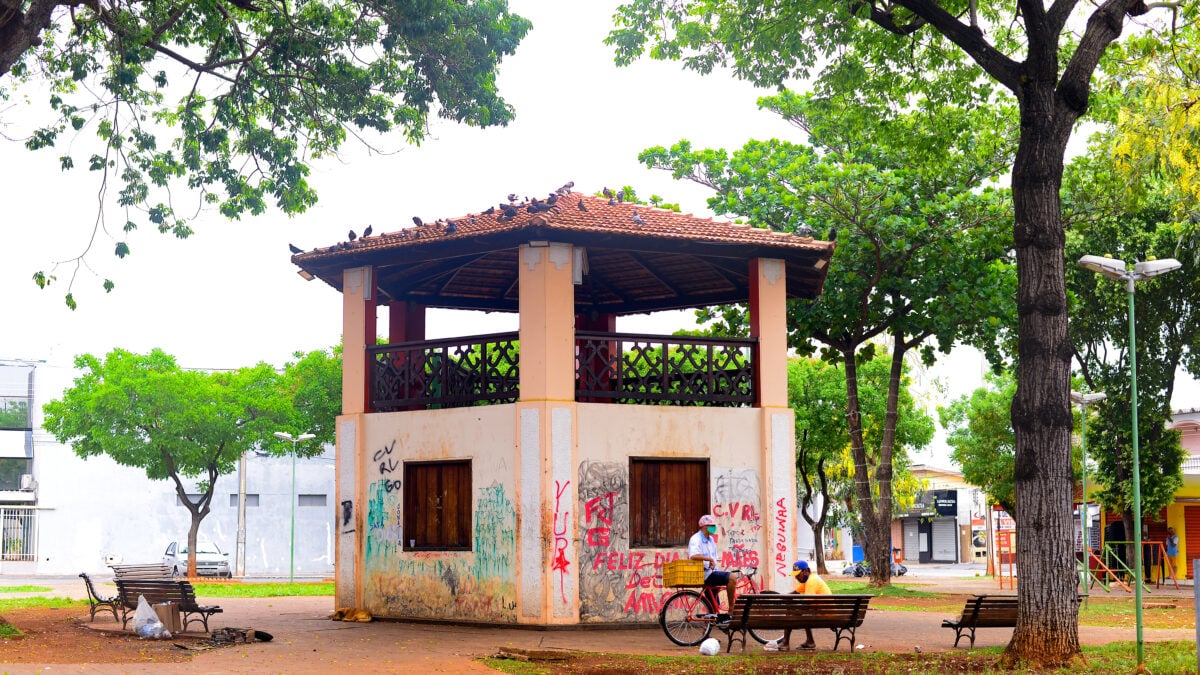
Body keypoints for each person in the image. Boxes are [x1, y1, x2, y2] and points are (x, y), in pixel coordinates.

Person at [688, 514, 737, 623]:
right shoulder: (696, 539)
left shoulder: (710, 540)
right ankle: (732, 610)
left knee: (714, 610)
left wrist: (714, 564)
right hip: (705, 574)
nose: (713, 528)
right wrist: (709, 559)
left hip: (712, 572)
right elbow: (693, 556)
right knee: (732, 578)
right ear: (704, 527)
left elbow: (714, 559)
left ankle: (719, 626)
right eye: (711, 526)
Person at [780, 559, 831, 651]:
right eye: (795, 576)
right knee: (802, 611)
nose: (796, 578)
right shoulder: (810, 579)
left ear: (806, 571)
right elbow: (795, 593)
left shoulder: (811, 582)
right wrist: (782, 598)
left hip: (824, 615)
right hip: (826, 612)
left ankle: (785, 643)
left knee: (790, 612)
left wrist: (792, 609)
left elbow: (806, 603)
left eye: (798, 575)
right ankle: (810, 641)